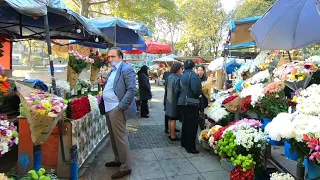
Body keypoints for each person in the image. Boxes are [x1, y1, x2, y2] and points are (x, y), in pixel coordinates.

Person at [98, 47, 136, 179]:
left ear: (120, 57)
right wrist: (103, 84)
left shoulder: (126, 69)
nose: (110, 59)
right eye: (109, 57)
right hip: (108, 107)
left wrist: (121, 106)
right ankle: (118, 159)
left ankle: (126, 167)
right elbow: (112, 87)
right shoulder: (112, 71)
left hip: (116, 108)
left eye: (113, 56)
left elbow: (131, 89)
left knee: (120, 137)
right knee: (113, 136)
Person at [178, 60, 202, 154]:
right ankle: (190, 147)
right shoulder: (193, 75)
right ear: (193, 67)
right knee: (192, 125)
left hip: (182, 102)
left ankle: (184, 143)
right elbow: (196, 90)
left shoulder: (182, 75)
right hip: (191, 103)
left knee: (185, 124)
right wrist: (198, 96)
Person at [164, 63, 184, 141]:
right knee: (173, 119)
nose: (182, 70)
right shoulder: (178, 78)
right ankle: (173, 136)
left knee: (170, 118)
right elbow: (178, 90)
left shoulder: (169, 77)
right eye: (181, 69)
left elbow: (165, 88)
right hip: (174, 101)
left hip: (168, 100)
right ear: (178, 69)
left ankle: (170, 134)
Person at [197, 65, 208, 130]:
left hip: (203, 99)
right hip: (197, 99)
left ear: (203, 71)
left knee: (202, 114)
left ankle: (202, 127)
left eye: (201, 70)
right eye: (199, 70)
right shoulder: (195, 78)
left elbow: (208, 89)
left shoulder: (206, 79)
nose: (200, 72)